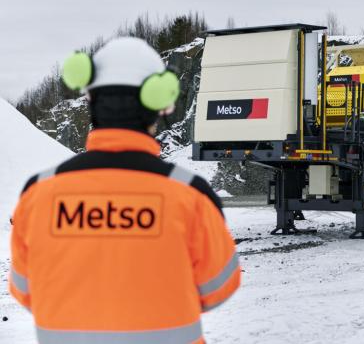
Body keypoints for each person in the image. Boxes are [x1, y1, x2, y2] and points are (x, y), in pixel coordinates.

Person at [9, 37, 241, 343]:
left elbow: (25, 290)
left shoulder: (39, 194)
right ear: (159, 101)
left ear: (89, 100)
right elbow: (218, 288)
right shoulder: (189, 196)